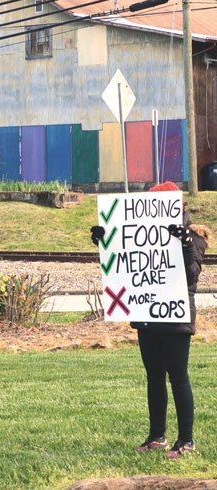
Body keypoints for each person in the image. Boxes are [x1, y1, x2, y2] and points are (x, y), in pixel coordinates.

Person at [94, 181, 207, 459]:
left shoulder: (194, 236)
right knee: (154, 377)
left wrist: (184, 243)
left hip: (176, 317)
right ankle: (157, 436)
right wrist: (104, 241)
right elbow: (125, 263)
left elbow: (192, 275)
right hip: (147, 316)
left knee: (178, 378)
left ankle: (187, 441)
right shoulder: (140, 232)